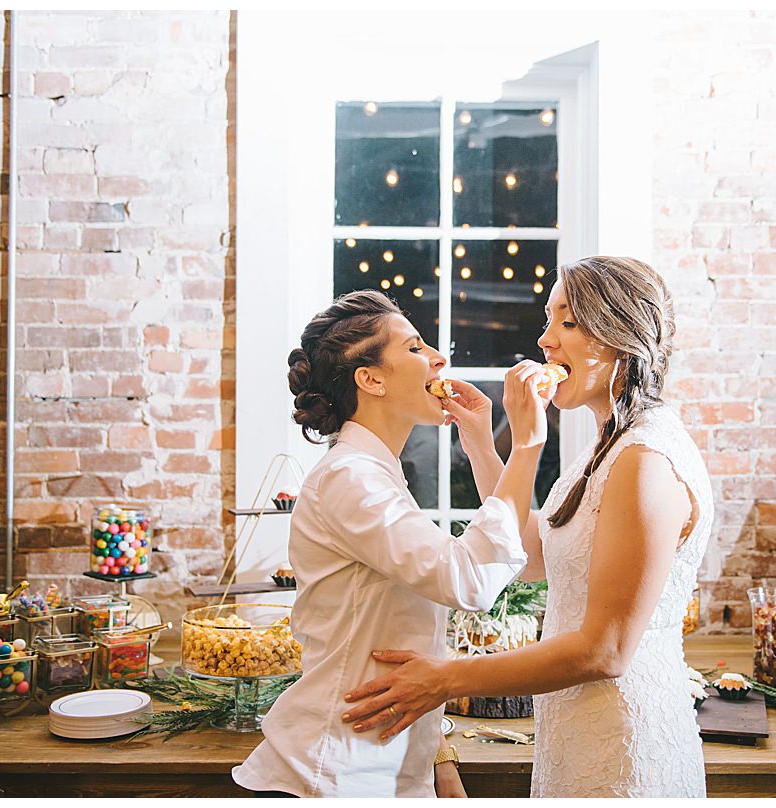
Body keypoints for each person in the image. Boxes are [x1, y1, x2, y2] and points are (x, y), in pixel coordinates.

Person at [341, 257, 714, 798]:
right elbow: (538, 553)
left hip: (627, 739)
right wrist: (480, 444)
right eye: (548, 320)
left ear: (618, 335)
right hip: (580, 727)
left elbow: (605, 649)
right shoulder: (610, 444)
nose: (544, 340)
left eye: (566, 322)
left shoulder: (645, 460)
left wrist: (443, 679)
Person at [231, 289, 551, 797]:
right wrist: (527, 445)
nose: (438, 358)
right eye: (415, 347)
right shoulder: (349, 479)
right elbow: (469, 580)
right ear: (371, 379)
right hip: (335, 769)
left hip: (388, 764)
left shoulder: (375, 474)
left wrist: (438, 756)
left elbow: (415, 629)